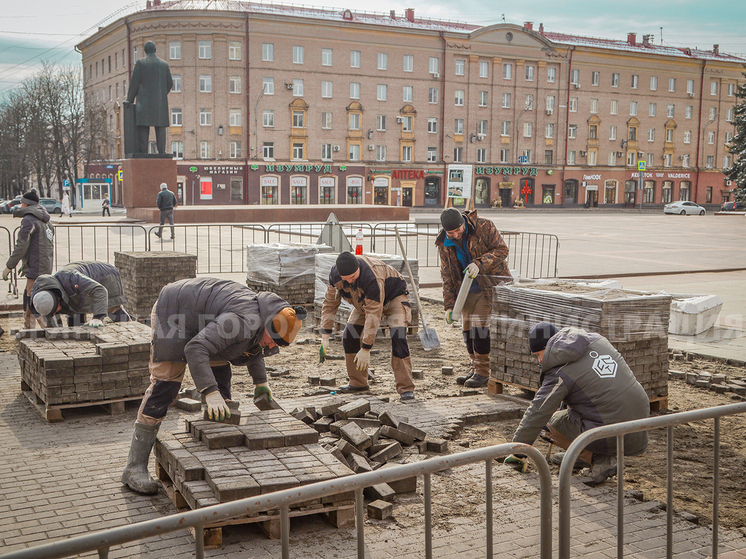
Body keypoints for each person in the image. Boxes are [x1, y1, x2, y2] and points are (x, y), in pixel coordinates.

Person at [122, 277, 306, 494]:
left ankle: (215, 440)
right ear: (267, 324)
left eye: (279, 344)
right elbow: (196, 348)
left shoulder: (270, 317)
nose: (273, 345)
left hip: (204, 318)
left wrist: (261, 383)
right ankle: (134, 467)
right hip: (175, 313)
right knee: (166, 385)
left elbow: (255, 348)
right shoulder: (241, 321)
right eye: (273, 339)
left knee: (220, 372)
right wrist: (209, 392)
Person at [505, 322, 650, 487]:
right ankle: (579, 456)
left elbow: (537, 413)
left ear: (550, 347)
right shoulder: (596, 340)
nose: (539, 360)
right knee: (576, 412)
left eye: (539, 354)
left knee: (546, 425)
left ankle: (598, 460)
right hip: (642, 421)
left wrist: (516, 453)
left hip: (613, 431)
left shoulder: (560, 373)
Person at [319, 252, 415, 402]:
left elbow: (373, 315)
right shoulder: (335, 276)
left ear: (358, 269)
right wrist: (325, 335)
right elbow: (330, 304)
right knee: (350, 335)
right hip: (364, 301)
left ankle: (406, 388)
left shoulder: (371, 277)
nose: (350, 281)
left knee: (399, 337)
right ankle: (358, 383)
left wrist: (365, 348)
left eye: (353, 277)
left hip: (394, 297)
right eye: (346, 279)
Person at [435, 208, 511, 388]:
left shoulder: (484, 226)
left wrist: (479, 263)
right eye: (450, 232)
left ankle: (483, 372)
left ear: (463, 223)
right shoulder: (444, 244)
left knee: (479, 325)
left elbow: (502, 250)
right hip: (466, 289)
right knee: (467, 328)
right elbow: (447, 275)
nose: (455, 235)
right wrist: (449, 305)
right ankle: (475, 366)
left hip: (491, 285)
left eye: (458, 230)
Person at [2, 190, 55, 329]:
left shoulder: (29, 220)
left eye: (21, 202)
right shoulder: (46, 220)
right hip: (44, 264)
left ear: (26, 204)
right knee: (33, 295)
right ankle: (30, 327)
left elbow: (21, 245)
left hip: (36, 266)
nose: (20, 205)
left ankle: (46, 328)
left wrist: (9, 266)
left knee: (32, 298)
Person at [30, 261, 131, 328]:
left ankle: (132, 328)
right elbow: (50, 317)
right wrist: (55, 332)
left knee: (111, 308)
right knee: (74, 316)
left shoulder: (71, 278)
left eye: (56, 309)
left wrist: (97, 317)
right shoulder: (41, 294)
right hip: (77, 291)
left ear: (58, 297)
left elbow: (100, 290)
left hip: (104, 275)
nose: (55, 313)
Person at [125, 41, 173, 154]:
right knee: (160, 127)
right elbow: (170, 83)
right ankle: (162, 151)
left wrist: (129, 99)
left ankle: (143, 152)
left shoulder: (141, 63)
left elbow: (135, 83)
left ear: (145, 51)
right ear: (155, 50)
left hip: (144, 103)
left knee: (143, 127)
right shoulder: (164, 65)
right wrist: (161, 94)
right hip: (160, 103)